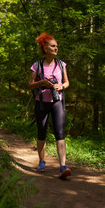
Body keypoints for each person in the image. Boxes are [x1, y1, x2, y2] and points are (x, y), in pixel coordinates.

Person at [28, 32, 71, 179]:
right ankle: (41, 162)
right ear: (45, 48)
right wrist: (42, 83)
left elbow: (67, 82)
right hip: (41, 102)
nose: (56, 48)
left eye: (57, 46)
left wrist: (61, 87)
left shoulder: (61, 64)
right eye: (53, 46)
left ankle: (63, 167)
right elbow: (30, 85)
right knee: (42, 132)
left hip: (57, 102)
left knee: (60, 133)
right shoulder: (37, 65)